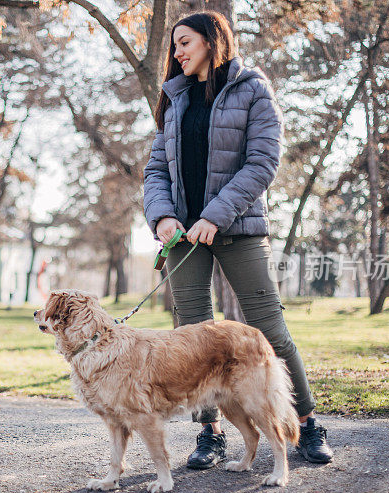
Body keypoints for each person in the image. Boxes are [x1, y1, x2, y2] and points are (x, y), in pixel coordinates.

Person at [142, 11, 333, 469]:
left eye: (184, 42)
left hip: (239, 229)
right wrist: (163, 217)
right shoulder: (175, 96)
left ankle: (307, 424)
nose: (177, 52)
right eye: (174, 46)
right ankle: (210, 433)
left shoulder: (253, 89)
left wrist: (215, 216)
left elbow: (262, 163)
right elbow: (154, 170)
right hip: (184, 237)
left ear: (212, 40)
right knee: (191, 339)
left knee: (269, 330)